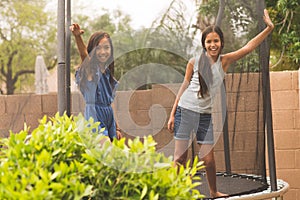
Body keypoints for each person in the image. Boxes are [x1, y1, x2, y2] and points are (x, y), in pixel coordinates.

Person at [167, 9, 274, 198]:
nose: (213, 44)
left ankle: (213, 191)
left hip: (204, 116)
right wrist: (172, 113)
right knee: (180, 157)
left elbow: (248, 47)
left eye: (216, 41)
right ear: (204, 44)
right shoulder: (194, 62)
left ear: (221, 43)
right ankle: (173, 193)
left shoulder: (225, 62)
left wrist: (269, 28)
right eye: (209, 41)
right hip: (185, 111)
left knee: (208, 160)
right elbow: (183, 87)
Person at [70, 23, 122, 141]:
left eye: (106, 47)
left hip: (109, 118)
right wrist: (78, 37)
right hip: (95, 116)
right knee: (106, 151)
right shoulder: (91, 71)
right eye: (98, 48)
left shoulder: (108, 73)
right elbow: (84, 55)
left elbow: (110, 102)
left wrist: (117, 127)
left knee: (114, 154)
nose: (103, 51)